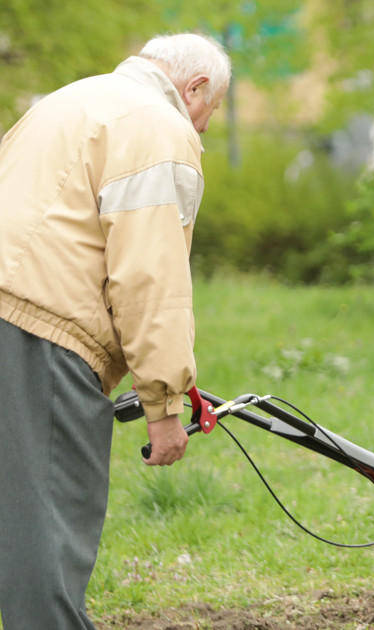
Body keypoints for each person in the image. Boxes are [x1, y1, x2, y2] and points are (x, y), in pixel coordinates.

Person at [0, 33, 231, 629]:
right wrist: (164, 403)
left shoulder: (67, 101)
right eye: (212, 110)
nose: (204, 127)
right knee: (46, 528)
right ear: (195, 88)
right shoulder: (158, 126)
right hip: (40, 332)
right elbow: (150, 276)